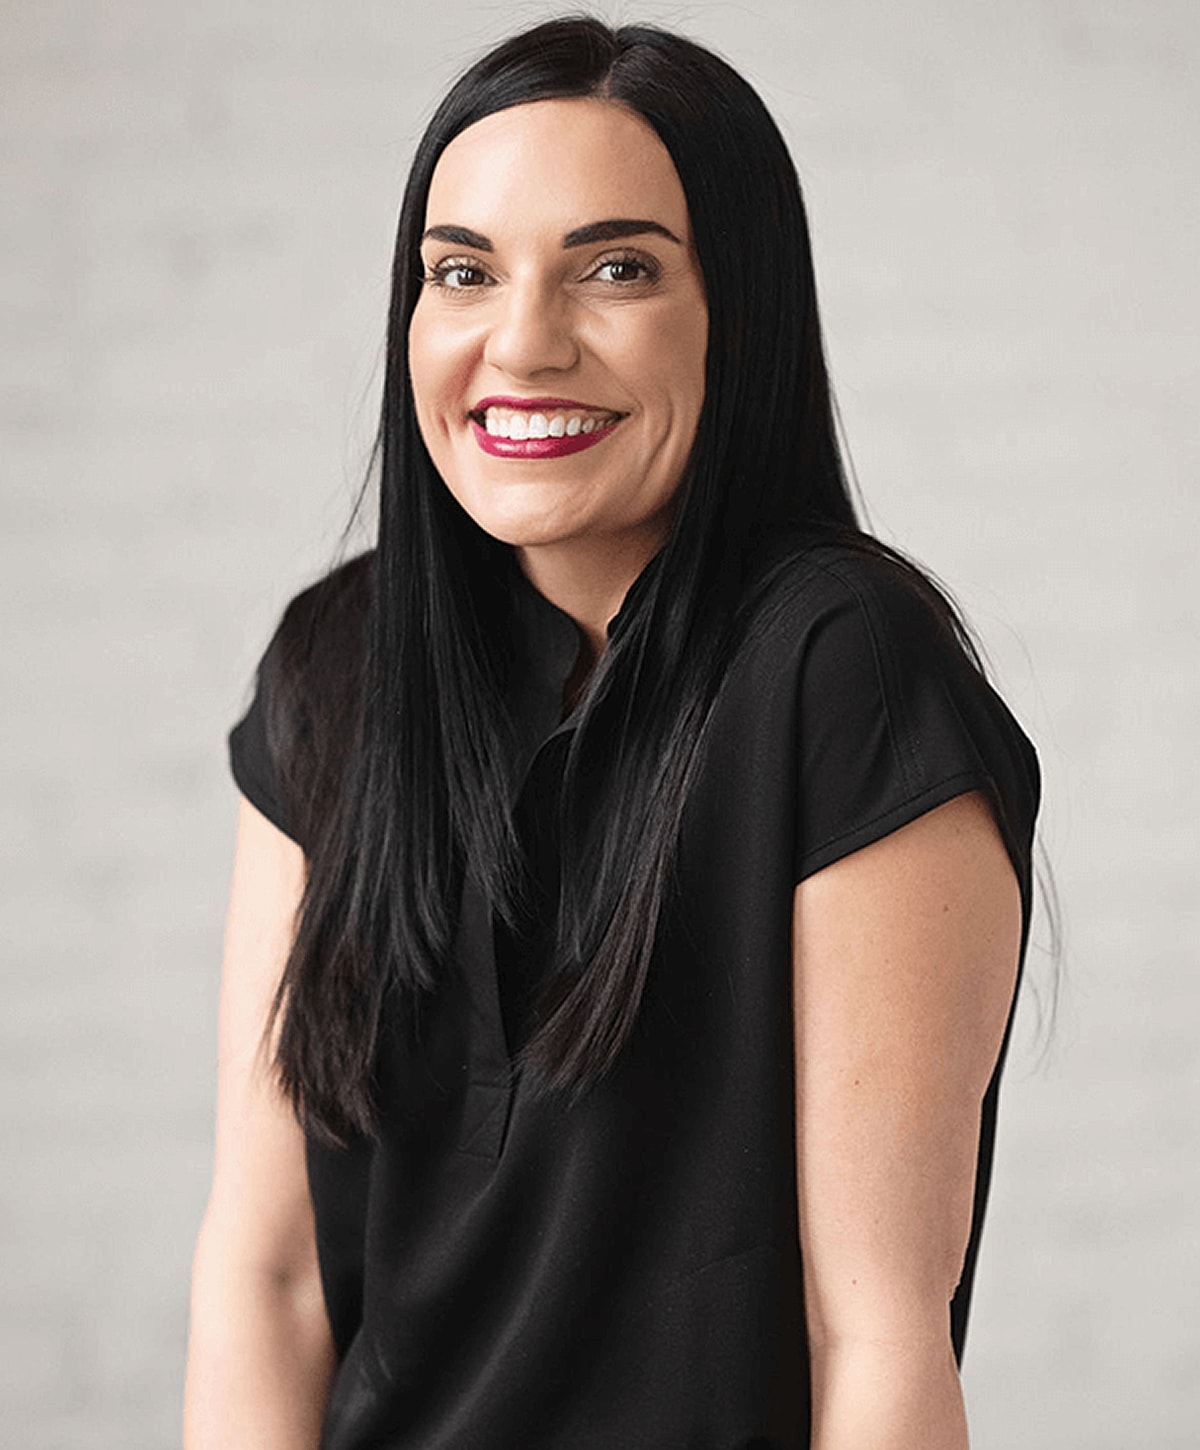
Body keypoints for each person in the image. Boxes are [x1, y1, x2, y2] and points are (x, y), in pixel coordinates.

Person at [184, 16, 1040, 1449]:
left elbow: (877, 1332)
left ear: (740, 313)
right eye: (463, 271)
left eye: (618, 268)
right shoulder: (333, 666)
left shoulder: (843, 672)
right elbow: (264, 1280)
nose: (521, 340)